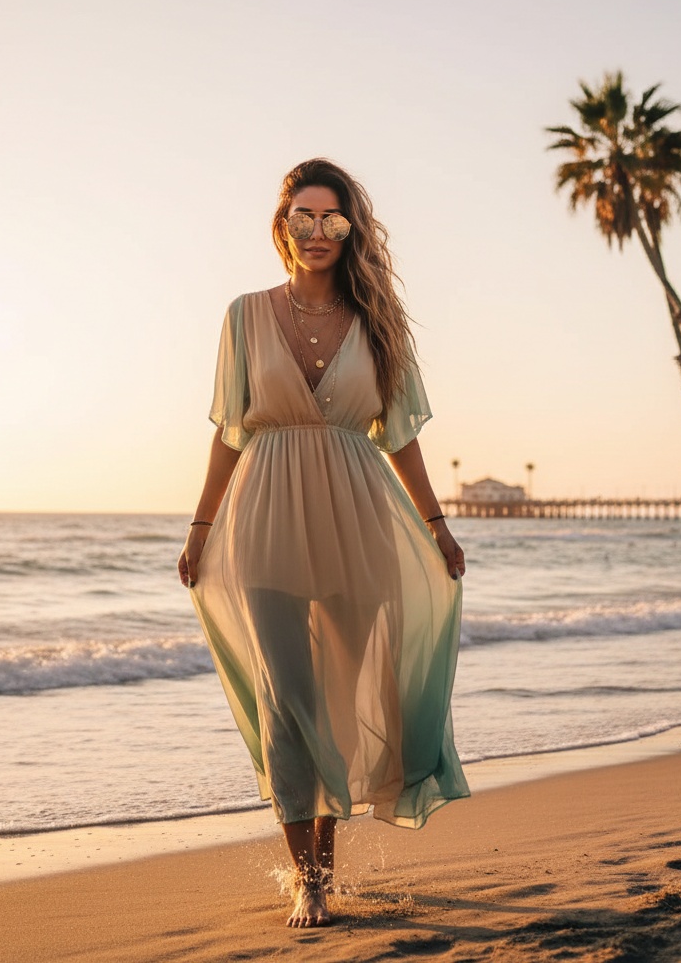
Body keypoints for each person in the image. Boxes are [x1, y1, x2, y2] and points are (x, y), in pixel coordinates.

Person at [178, 158, 469, 928]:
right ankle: (306, 881)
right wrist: (201, 527)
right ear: (282, 227)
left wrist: (437, 525)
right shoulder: (244, 315)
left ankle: (326, 873)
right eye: (302, 217)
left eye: (332, 219)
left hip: (357, 520)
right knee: (287, 702)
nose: (317, 231)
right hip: (265, 518)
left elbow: (400, 438)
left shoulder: (379, 323)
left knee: (335, 705)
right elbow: (229, 434)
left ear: (350, 230)